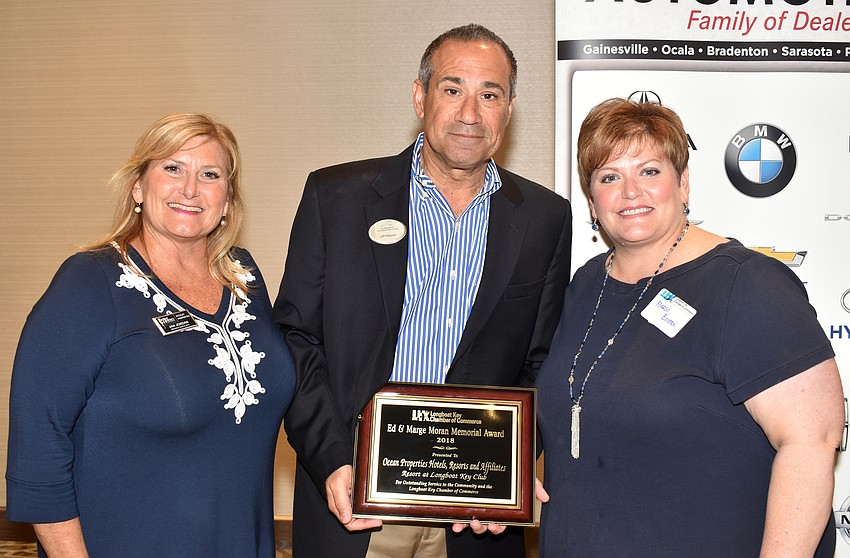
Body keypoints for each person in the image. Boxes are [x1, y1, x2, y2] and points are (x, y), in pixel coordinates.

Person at [274, 23, 571, 558]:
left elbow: (542, 362)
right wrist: (332, 458)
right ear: (420, 96)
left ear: (509, 108)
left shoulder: (547, 219)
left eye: (490, 94)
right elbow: (296, 339)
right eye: (452, 89)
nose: (469, 113)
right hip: (354, 505)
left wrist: (509, 469)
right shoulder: (335, 198)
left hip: (474, 520)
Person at [534, 98, 844, 557]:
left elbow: (811, 442)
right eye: (609, 176)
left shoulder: (745, 283)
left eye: (650, 171)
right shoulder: (585, 285)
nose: (630, 191)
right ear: (592, 201)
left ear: (683, 183)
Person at [6, 113, 296, 557]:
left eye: (210, 174)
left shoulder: (243, 276)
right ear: (138, 187)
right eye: (172, 168)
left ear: (228, 200)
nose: (190, 189)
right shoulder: (89, 283)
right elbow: (39, 445)